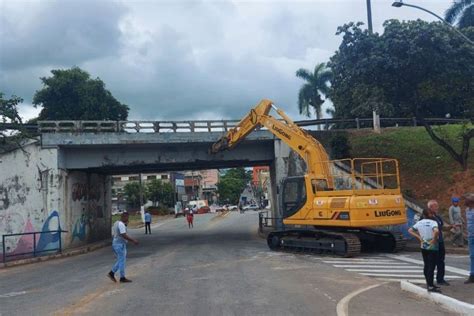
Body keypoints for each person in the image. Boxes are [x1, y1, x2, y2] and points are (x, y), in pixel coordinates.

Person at [408, 209, 440, 292]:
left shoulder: (420, 222)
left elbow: (410, 230)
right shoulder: (433, 223)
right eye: (431, 213)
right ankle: (430, 286)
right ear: (429, 214)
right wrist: (434, 239)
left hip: (423, 245)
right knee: (431, 266)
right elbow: (436, 231)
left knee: (426, 265)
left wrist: (418, 237)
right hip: (433, 247)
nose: (433, 215)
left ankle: (429, 283)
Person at [108, 212, 139, 283]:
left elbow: (120, 231)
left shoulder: (116, 222)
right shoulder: (121, 224)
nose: (128, 219)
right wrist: (133, 240)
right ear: (124, 217)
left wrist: (126, 225)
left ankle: (112, 273)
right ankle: (122, 277)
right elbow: (124, 235)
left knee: (121, 260)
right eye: (127, 217)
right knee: (122, 260)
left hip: (118, 243)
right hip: (119, 245)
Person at [427, 199, 451, 286]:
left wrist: (451, 227)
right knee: (432, 262)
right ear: (430, 207)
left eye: (437, 206)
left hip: (440, 242)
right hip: (433, 242)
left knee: (441, 261)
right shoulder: (427, 218)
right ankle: (430, 281)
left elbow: (441, 228)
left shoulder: (438, 217)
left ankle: (440, 279)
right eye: (435, 206)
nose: (437, 208)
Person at [464, 192, 474, 284]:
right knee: (472, 256)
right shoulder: (467, 210)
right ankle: (472, 274)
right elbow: (467, 222)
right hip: (470, 235)